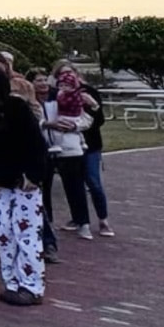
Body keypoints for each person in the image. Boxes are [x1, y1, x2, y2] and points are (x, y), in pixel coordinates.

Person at [0, 68, 49, 306]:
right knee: (4, 234)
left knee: (27, 235)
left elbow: (36, 144)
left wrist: (34, 175)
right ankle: (11, 282)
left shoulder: (17, 108)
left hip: (23, 182)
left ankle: (32, 286)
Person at [50, 59, 113, 236]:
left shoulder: (87, 93)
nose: (67, 77)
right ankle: (78, 218)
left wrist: (88, 112)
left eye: (70, 73)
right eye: (62, 74)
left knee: (93, 182)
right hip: (67, 145)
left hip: (89, 144)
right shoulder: (57, 95)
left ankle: (103, 219)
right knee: (72, 183)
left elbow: (99, 119)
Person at [37, 68, 94, 241]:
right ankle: (47, 225)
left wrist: (74, 127)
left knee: (75, 186)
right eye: (37, 80)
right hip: (44, 149)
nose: (41, 84)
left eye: (43, 79)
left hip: (69, 148)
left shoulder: (63, 96)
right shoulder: (29, 101)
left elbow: (86, 119)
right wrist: (46, 124)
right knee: (44, 189)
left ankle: (82, 222)